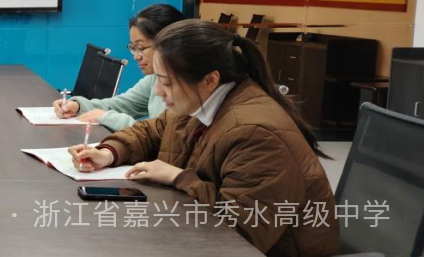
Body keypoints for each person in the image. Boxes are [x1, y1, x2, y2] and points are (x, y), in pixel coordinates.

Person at [68, 20, 338, 256]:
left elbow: (237, 233)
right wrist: (109, 153)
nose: (159, 92)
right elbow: (151, 131)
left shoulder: (255, 134)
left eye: (167, 82)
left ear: (210, 80)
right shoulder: (198, 102)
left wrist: (179, 177)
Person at [53, 4, 185, 131]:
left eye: (141, 47)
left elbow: (161, 138)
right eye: (133, 48)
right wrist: (78, 106)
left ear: (168, 44)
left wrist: (108, 118)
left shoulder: (187, 85)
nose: (136, 56)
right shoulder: (154, 78)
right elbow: (122, 104)